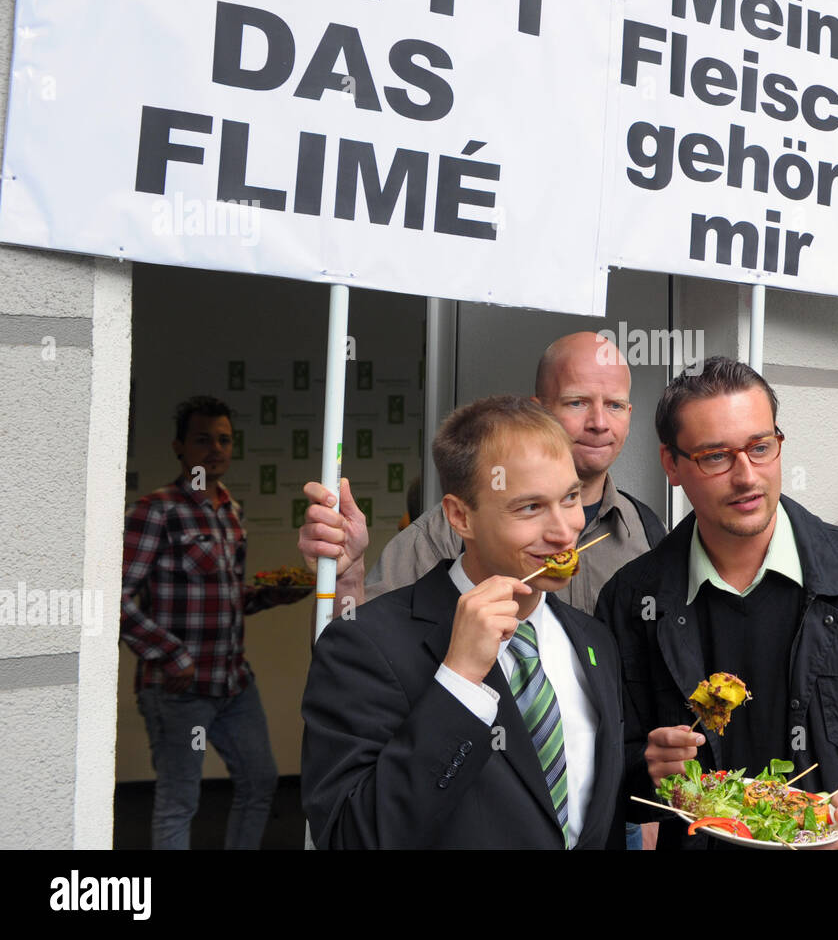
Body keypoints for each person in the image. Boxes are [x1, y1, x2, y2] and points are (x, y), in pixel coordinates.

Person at [596, 357, 838, 850]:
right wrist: (644, 767)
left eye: (760, 447)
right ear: (672, 464)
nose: (746, 476)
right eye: (715, 456)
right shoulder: (631, 600)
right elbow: (599, 770)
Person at [300, 396, 623, 849]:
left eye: (570, 498)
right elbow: (350, 837)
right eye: (529, 508)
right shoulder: (365, 645)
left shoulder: (593, 640)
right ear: (459, 516)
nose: (564, 530)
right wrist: (459, 682)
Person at [298, 331, 665, 616]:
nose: (600, 423)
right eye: (577, 403)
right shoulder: (447, 530)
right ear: (538, 411)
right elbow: (359, 657)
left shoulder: (648, 534)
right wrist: (346, 579)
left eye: (615, 405)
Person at [121, 396, 307, 850]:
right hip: (178, 687)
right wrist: (172, 654)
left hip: (233, 682)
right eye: (202, 439)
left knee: (260, 782)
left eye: (224, 440)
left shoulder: (230, 510)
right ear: (179, 447)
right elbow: (115, 599)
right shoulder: (157, 510)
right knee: (179, 801)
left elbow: (225, 597)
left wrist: (270, 596)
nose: (215, 449)